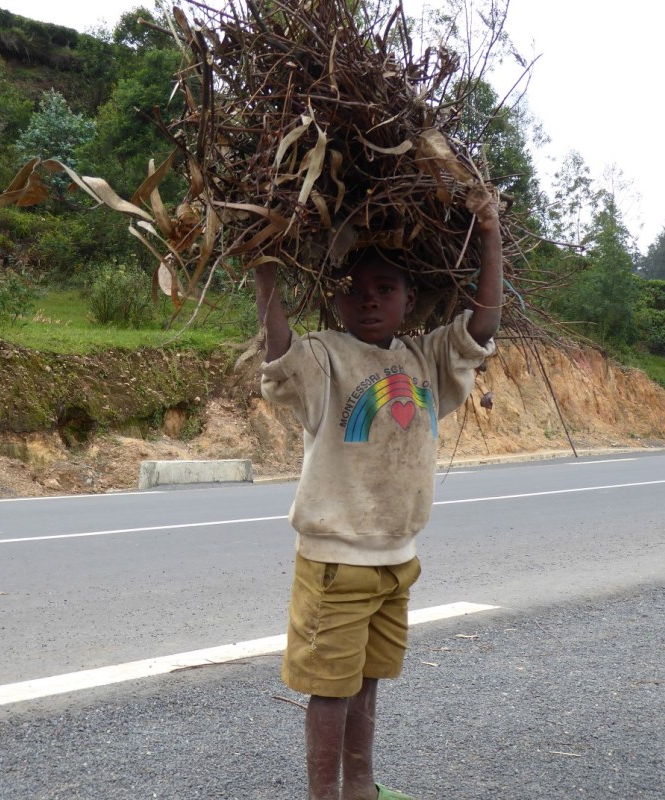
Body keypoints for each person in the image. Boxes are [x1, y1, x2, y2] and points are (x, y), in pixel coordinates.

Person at [254, 184, 503, 800]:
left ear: (410, 299)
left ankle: (361, 787)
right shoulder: (324, 357)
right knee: (330, 689)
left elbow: (484, 322)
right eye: (354, 289)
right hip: (336, 563)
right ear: (333, 296)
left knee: (366, 681)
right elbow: (279, 349)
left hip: (398, 561)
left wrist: (491, 233)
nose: (368, 300)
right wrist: (264, 264)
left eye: (384, 289)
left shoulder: (425, 360)